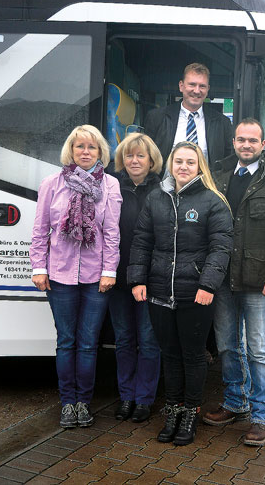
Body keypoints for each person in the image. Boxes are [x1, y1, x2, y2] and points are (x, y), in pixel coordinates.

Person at [128, 141, 233, 446]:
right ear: (170, 165)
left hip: (195, 294)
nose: (183, 167)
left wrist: (207, 285)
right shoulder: (156, 198)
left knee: (193, 355)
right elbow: (142, 240)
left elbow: (221, 247)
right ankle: (172, 409)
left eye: (190, 162)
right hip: (159, 291)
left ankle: (190, 411)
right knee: (170, 355)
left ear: (199, 166)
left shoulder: (213, 201)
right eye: (179, 162)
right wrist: (137, 279)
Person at [203, 118, 265, 446]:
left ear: (262, 144)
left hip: (260, 282)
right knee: (228, 346)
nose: (246, 145)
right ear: (234, 142)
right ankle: (235, 402)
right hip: (224, 279)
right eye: (241, 140)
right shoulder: (220, 175)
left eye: (252, 140)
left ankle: (261, 416)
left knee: (258, 350)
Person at [30, 124, 122, 429]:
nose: (85, 152)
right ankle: (67, 403)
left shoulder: (110, 186)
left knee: (88, 343)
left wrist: (110, 271)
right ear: (70, 150)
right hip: (59, 275)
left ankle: (84, 402)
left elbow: (111, 233)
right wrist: (38, 267)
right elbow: (41, 230)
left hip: (97, 279)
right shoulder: (51, 184)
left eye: (91, 147)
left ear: (101, 153)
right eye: (80, 146)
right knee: (66, 341)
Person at [109, 133, 163, 423]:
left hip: (150, 280)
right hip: (117, 278)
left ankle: (144, 399)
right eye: (129, 155)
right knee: (124, 340)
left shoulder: (162, 192)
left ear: (151, 160)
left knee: (149, 341)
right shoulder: (111, 187)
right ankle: (126, 396)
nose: (134, 160)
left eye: (141, 155)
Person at [143, 62, 234, 168]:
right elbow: (146, 157)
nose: (196, 91)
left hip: (205, 184)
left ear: (208, 89)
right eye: (192, 84)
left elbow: (228, 163)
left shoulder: (222, 123)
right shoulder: (157, 118)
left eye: (202, 86)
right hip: (165, 183)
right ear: (181, 86)